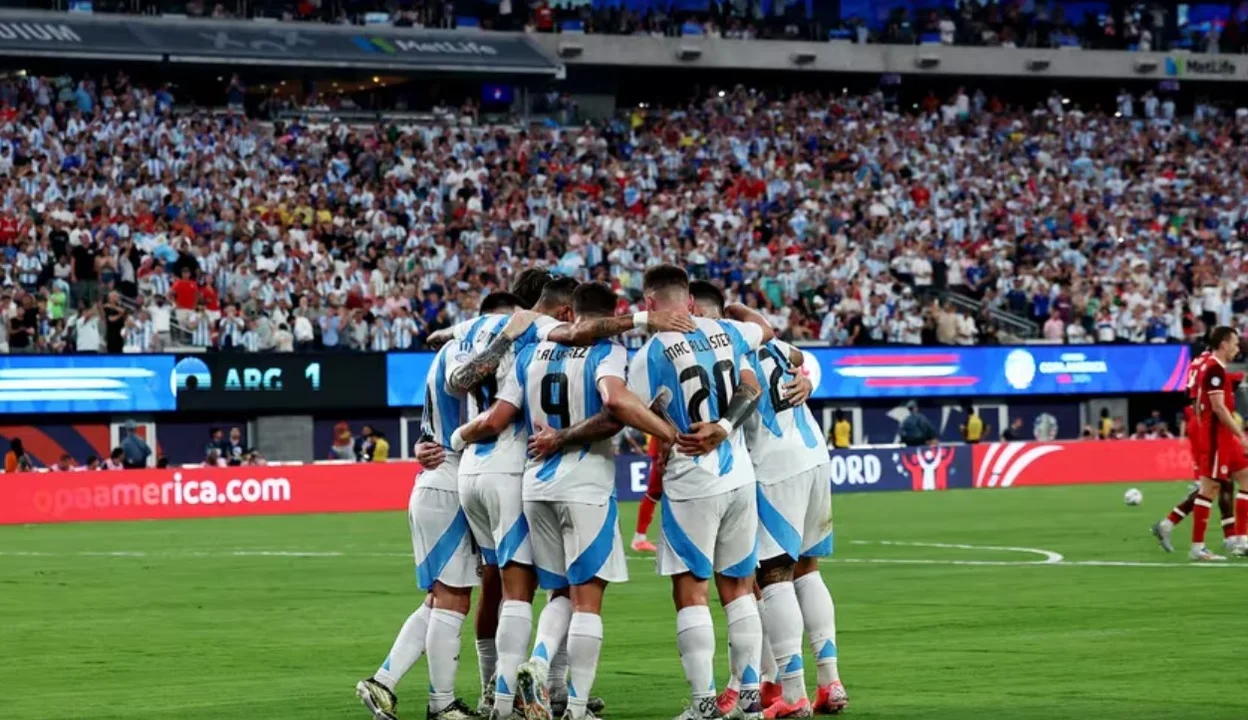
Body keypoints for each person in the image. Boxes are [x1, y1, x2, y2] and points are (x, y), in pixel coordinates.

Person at [453, 282, 678, 720]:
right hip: (585, 485)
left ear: (570, 313)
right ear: (609, 316)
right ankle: (571, 703)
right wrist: (665, 431)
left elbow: (501, 412)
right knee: (587, 599)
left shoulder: (532, 350)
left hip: (534, 486)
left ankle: (508, 693)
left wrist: (459, 436)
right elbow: (614, 402)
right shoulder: (609, 353)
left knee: (556, 592)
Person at [690, 281, 848, 717]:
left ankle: (791, 694)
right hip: (815, 456)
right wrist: (806, 380)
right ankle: (829, 682)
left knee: (772, 577)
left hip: (775, 469)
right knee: (808, 571)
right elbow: (798, 359)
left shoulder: (720, 350)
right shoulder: (769, 341)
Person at [625, 264, 774, 720]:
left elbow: (626, 409)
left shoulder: (648, 352)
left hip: (692, 478)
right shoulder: (726, 330)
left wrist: (669, 436)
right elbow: (757, 356)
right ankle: (749, 698)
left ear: (650, 304)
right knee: (739, 588)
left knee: (691, 591)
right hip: (739, 475)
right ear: (690, 301)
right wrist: (725, 427)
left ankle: (705, 702)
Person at [356, 342, 479, 720]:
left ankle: (383, 682)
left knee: (440, 598)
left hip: (434, 482)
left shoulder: (445, 356)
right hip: (449, 484)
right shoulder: (470, 356)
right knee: (453, 598)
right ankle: (441, 704)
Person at [1152, 348, 1240, 553]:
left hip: (1201, 420)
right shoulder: (1212, 364)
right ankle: (1224, 540)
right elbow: (1211, 390)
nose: (1235, 350)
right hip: (1208, 423)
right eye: (1233, 344)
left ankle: (1231, 536)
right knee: (1216, 483)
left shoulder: (1199, 360)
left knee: (1223, 482)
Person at [1185, 326, 1248, 561]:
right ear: (1223, 343)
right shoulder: (1214, 369)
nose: (1236, 348)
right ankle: (1197, 547)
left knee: (1244, 475)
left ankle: (1241, 539)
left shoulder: (1214, 368)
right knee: (1209, 489)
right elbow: (1219, 408)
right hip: (1216, 438)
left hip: (1219, 437)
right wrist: (1240, 434)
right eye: (1234, 343)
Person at [631, 434, 666, 553]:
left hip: (667, 450)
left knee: (654, 494)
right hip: (666, 451)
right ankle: (639, 539)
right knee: (654, 493)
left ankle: (639, 538)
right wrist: (662, 453)